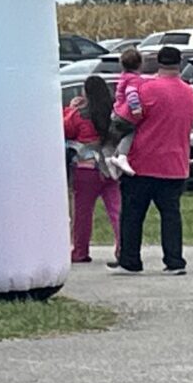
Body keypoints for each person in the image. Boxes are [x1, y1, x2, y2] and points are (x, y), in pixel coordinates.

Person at [112, 45, 193, 275]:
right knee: (171, 215)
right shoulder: (190, 93)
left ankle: (130, 260)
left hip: (143, 163)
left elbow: (123, 118)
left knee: (132, 214)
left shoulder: (147, 88)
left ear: (158, 62)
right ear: (180, 63)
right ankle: (174, 261)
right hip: (176, 163)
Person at [63, 75, 122, 264]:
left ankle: (80, 251)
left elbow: (66, 130)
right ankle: (124, 246)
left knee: (83, 213)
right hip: (110, 166)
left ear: (86, 92)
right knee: (116, 210)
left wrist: (71, 109)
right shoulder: (114, 113)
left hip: (86, 168)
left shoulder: (80, 115)